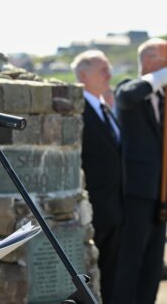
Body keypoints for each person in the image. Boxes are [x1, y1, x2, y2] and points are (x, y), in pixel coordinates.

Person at [112, 38, 167, 304]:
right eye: (164, 60)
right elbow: (125, 98)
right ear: (149, 61)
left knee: (153, 268)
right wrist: (160, 76)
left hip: (162, 196)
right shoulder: (128, 88)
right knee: (130, 265)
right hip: (136, 194)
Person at [71, 50, 122, 304]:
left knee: (112, 273)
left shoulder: (105, 107)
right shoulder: (77, 111)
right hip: (94, 209)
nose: (109, 74)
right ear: (83, 75)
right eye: (103, 69)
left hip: (115, 208)